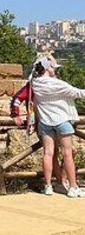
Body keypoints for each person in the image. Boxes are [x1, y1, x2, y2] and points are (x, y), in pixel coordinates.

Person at [29, 56, 84, 198]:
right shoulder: (58, 84)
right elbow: (79, 93)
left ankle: (48, 186)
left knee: (48, 153)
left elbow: (32, 77)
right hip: (62, 121)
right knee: (67, 154)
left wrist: (47, 59)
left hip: (45, 122)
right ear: (47, 68)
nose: (56, 69)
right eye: (54, 67)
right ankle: (73, 187)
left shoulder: (34, 83)